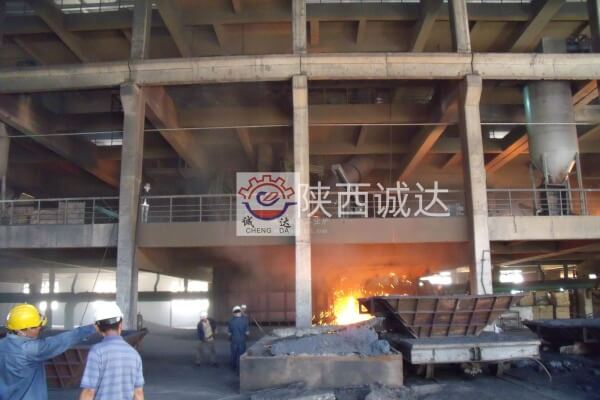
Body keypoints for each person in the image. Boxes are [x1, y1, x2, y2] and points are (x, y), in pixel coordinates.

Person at [0, 303, 96, 400]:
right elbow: (59, 341)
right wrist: (92, 328)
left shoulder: (2, 345)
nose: (40, 328)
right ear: (23, 330)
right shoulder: (30, 350)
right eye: (37, 326)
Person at [79, 303, 144, 400]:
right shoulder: (134, 354)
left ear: (97, 328)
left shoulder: (97, 352)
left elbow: (89, 392)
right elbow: (138, 394)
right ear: (120, 325)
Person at [227, 305, 249, 372]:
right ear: (240, 312)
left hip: (234, 341)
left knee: (234, 354)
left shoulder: (230, 321)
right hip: (242, 341)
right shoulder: (245, 320)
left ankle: (233, 367)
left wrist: (230, 338)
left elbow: (229, 333)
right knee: (241, 355)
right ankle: (240, 369)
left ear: (233, 313)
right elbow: (247, 333)